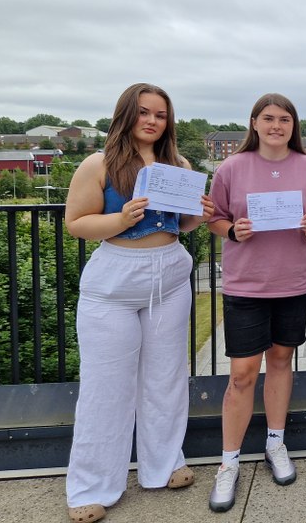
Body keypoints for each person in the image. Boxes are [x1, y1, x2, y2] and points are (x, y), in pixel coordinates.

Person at [64, 83, 214, 523]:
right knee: (105, 386)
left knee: (165, 377)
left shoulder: (177, 164)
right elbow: (77, 223)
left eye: (161, 115)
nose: (152, 121)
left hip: (168, 272)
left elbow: (180, 224)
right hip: (115, 278)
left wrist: (197, 214)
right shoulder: (99, 163)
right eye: (144, 112)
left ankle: (164, 464)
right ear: (126, 114)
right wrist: (120, 217)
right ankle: (92, 486)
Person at [205, 93, 306, 512]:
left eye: (285, 120)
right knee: (241, 374)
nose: (277, 126)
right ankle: (229, 462)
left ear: (294, 126)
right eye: (269, 119)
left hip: (295, 282)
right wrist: (233, 230)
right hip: (246, 284)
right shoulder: (231, 168)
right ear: (254, 123)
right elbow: (215, 218)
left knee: (280, 360)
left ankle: (276, 443)